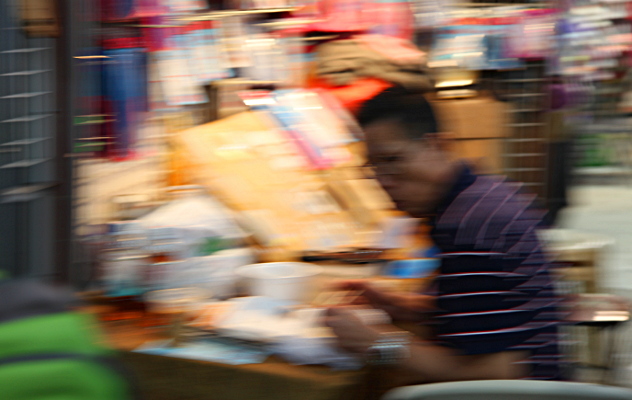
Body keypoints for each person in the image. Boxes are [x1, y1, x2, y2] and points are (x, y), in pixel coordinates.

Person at [324, 86, 564, 383]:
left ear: (437, 145)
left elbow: (488, 373)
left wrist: (373, 343)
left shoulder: (470, 225)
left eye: (393, 160)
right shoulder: (480, 195)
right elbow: (484, 313)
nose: (384, 182)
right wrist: (404, 306)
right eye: (373, 167)